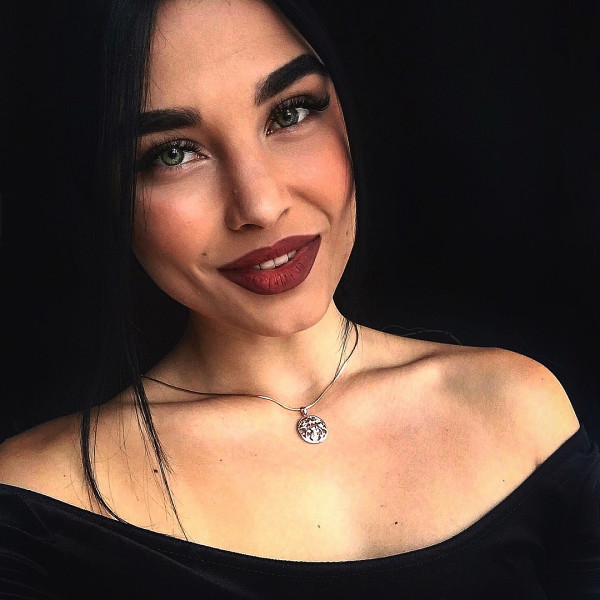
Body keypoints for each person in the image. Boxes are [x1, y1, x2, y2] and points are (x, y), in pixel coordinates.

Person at [0, 0, 597, 598]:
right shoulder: (35, 505)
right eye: (173, 153)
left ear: (347, 115)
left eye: (289, 113)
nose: (260, 206)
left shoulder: (519, 411)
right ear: (105, 191)